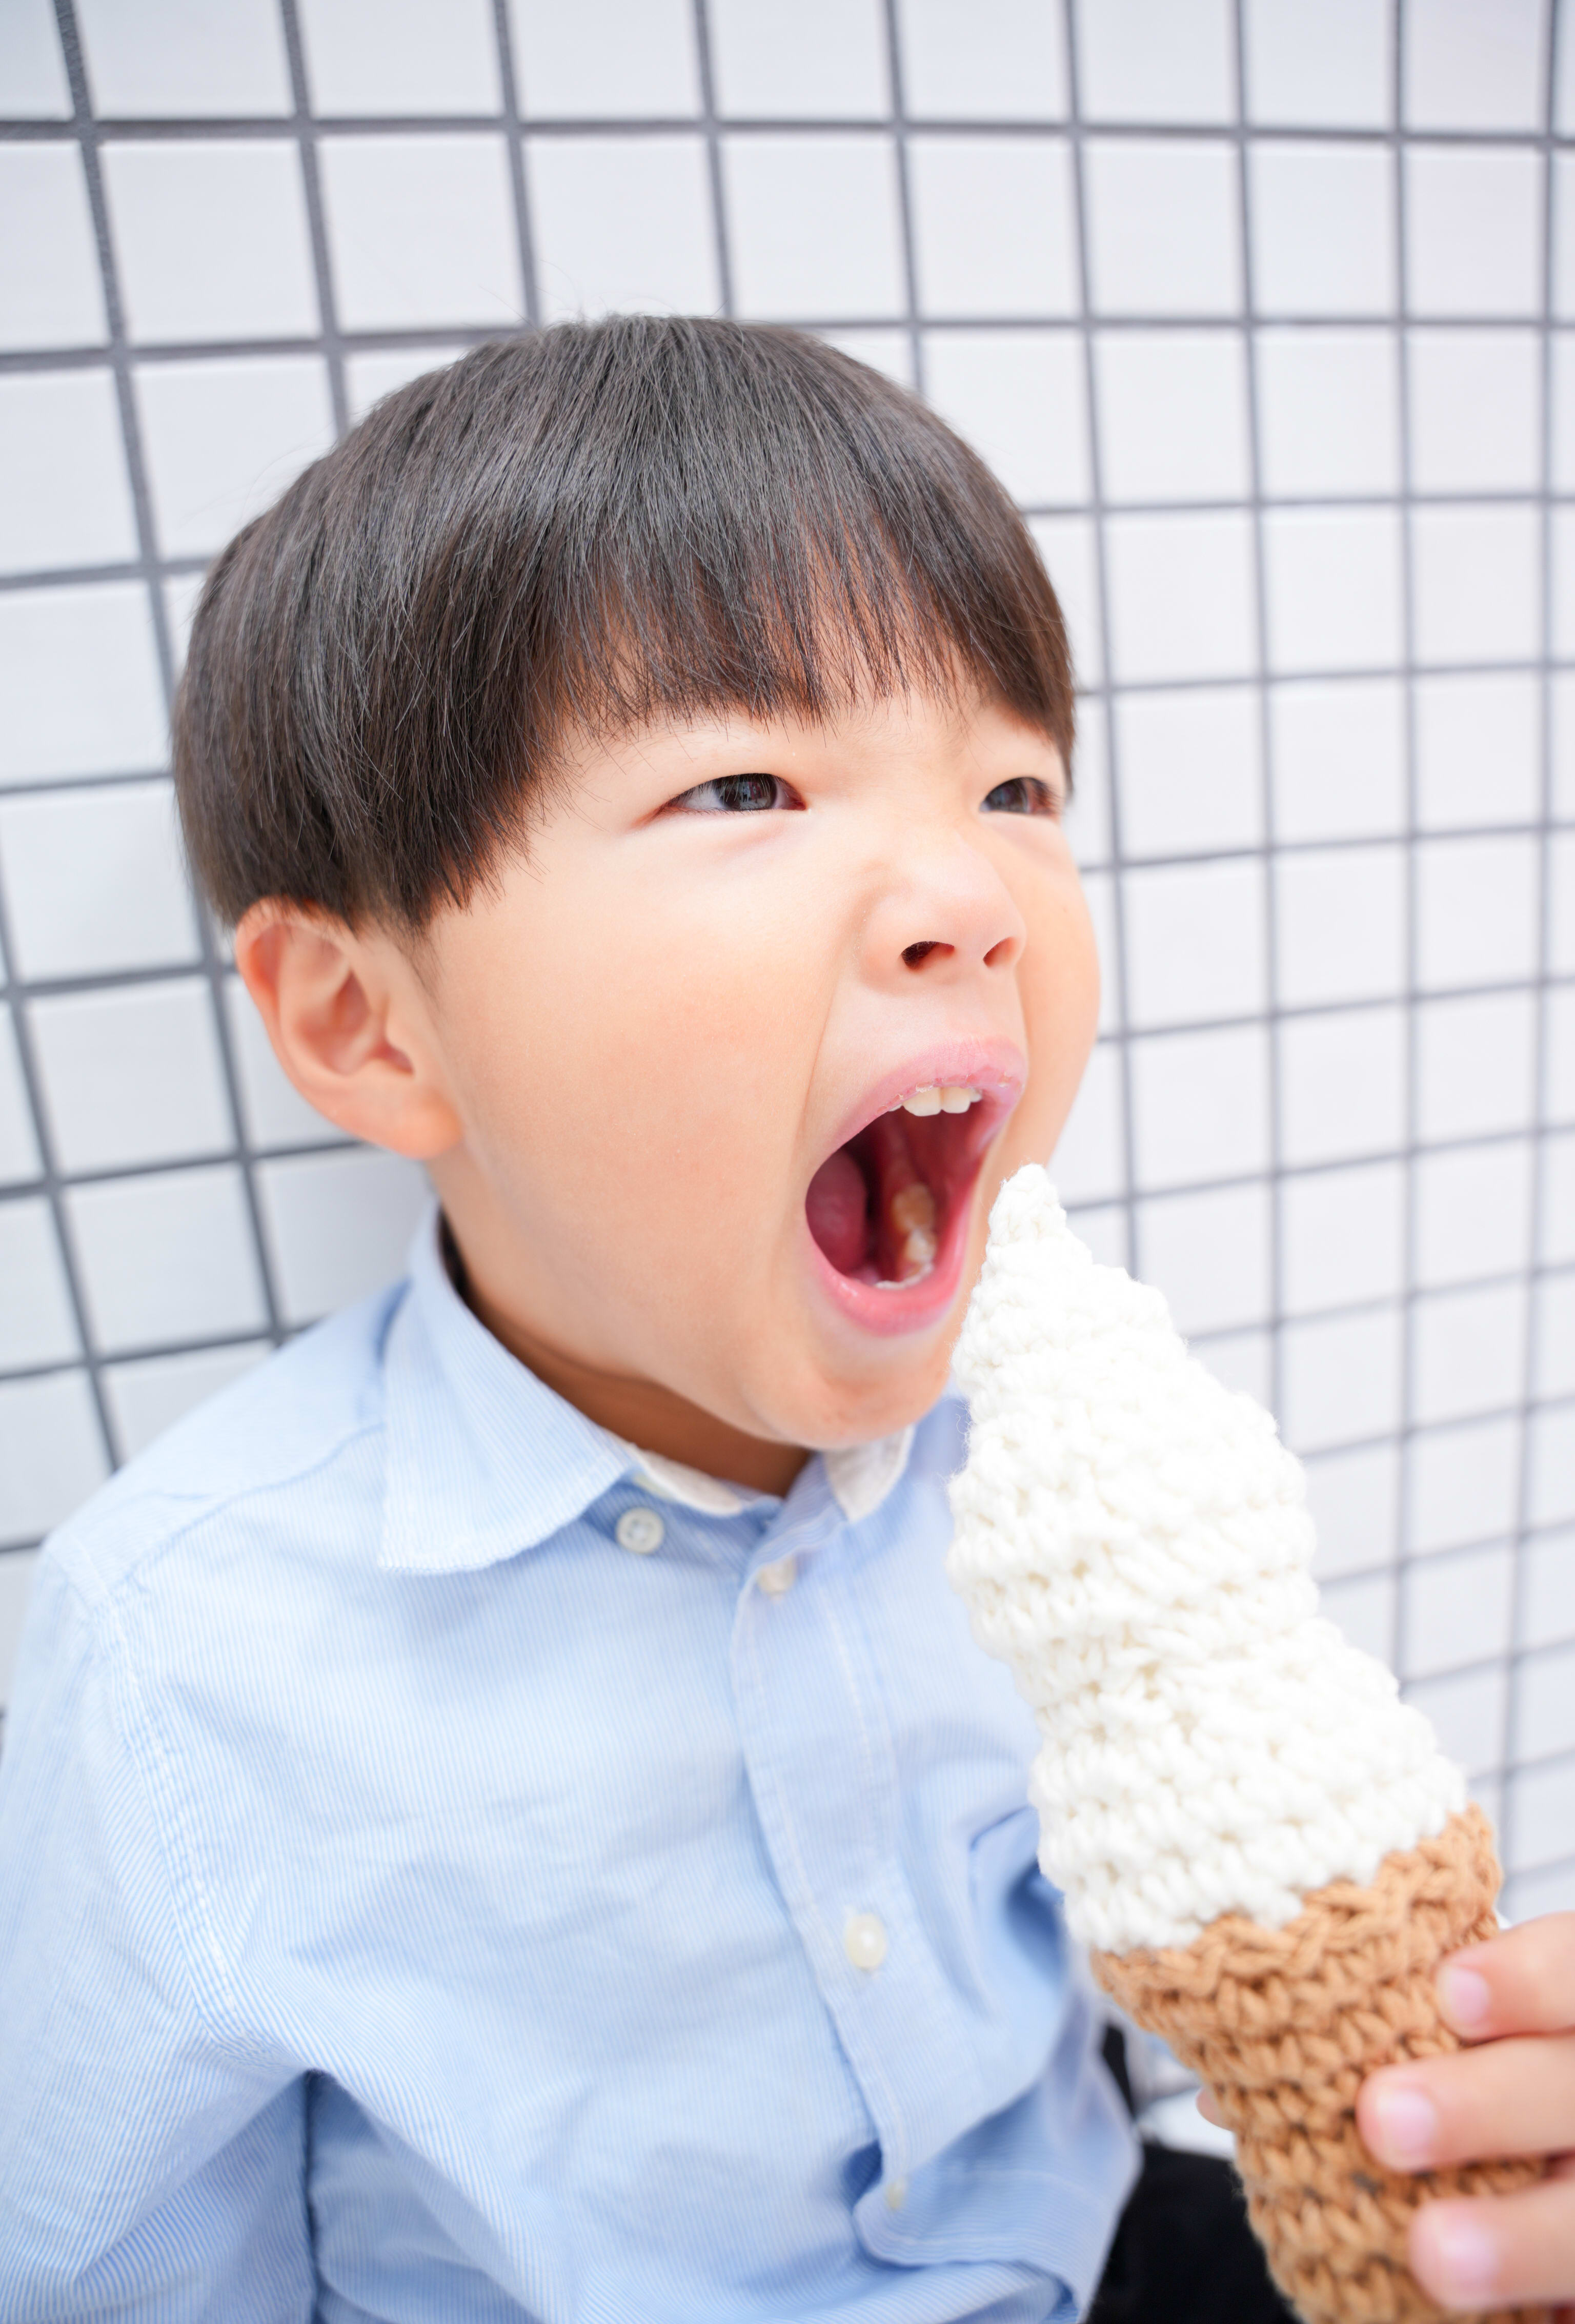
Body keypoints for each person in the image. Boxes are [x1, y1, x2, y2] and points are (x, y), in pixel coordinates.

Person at [0, 319, 1567, 2321]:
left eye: (1016, 784)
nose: (970, 894)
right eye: (746, 782)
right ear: (368, 1022)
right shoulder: (189, 1653)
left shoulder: (1057, 1480)